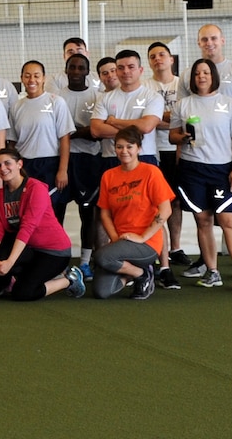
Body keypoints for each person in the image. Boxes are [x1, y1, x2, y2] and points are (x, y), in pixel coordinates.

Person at [170, 58, 232, 292]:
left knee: (230, 221)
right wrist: (182, 137)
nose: (201, 76)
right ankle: (212, 271)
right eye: (197, 73)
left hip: (223, 170)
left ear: (213, 75)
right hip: (192, 169)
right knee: (203, 220)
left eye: (206, 72)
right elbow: (172, 136)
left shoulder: (229, 104)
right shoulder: (183, 105)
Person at [88, 48, 172, 288]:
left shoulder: (151, 96)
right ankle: (113, 258)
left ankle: (163, 267)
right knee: (107, 213)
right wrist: (128, 131)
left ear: (140, 70)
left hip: (144, 159)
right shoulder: (106, 98)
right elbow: (96, 130)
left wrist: (113, 122)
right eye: (120, 68)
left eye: (130, 67)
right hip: (109, 160)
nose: (125, 72)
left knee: (155, 213)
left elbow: (147, 127)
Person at [0, 146, 82, 301]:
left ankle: (69, 279)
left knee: (23, 293)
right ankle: (24, 275)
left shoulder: (36, 188)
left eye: (7, 163)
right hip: (29, 249)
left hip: (53, 252)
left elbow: (27, 228)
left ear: (19, 164)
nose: (3, 168)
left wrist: (9, 262)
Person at [91, 128, 173, 300]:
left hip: (146, 244)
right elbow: (104, 214)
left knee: (101, 257)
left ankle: (142, 274)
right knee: (102, 291)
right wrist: (114, 238)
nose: (124, 151)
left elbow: (166, 210)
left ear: (139, 149)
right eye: (119, 147)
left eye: (129, 147)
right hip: (121, 242)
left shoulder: (151, 172)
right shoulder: (108, 176)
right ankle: (136, 273)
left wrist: (142, 237)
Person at [7, 60, 73, 221]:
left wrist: (62, 170)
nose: (32, 80)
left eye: (36, 76)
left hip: (50, 165)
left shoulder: (56, 102)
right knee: (27, 211)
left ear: (43, 78)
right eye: (27, 76)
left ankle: (54, 246)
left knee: (51, 212)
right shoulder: (17, 106)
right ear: (21, 78)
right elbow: (12, 142)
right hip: (25, 166)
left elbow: (64, 138)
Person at [65, 54, 110, 271]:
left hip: (90, 161)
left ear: (86, 72)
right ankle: (59, 261)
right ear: (66, 70)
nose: (75, 71)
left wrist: (71, 132)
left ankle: (84, 263)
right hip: (63, 160)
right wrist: (80, 132)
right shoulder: (56, 96)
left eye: (80, 68)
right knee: (56, 213)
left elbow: (97, 133)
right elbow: (55, 131)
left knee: (88, 213)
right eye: (72, 67)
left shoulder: (97, 96)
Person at [146, 42, 188, 272]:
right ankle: (154, 246)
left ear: (171, 59)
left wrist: (159, 119)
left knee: (175, 201)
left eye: (162, 54)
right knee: (154, 203)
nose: (158, 59)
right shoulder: (144, 86)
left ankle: (176, 248)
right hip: (152, 151)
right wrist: (172, 120)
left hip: (177, 150)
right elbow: (145, 119)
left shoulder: (182, 84)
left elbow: (187, 115)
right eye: (153, 56)